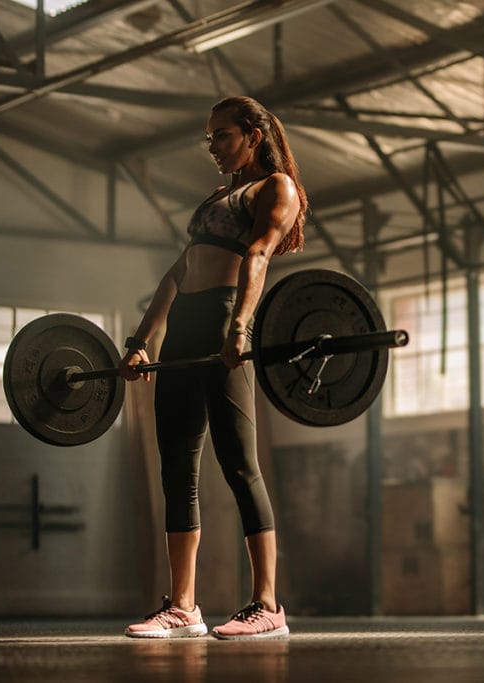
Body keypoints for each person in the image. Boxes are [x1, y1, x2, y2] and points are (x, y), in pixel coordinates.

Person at [119, 96, 307, 640]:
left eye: (222, 136)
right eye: (209, 140)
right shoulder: (214, 198)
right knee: (176, 465)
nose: (213, 148)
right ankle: (183, 607)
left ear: (253, 134)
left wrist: (240, 327)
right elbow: (178, 270)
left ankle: (268, 605)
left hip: (226, 317)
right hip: (184, 327)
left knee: (238, 463)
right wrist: (140, 341)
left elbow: (258, 256)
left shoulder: (276, 188)